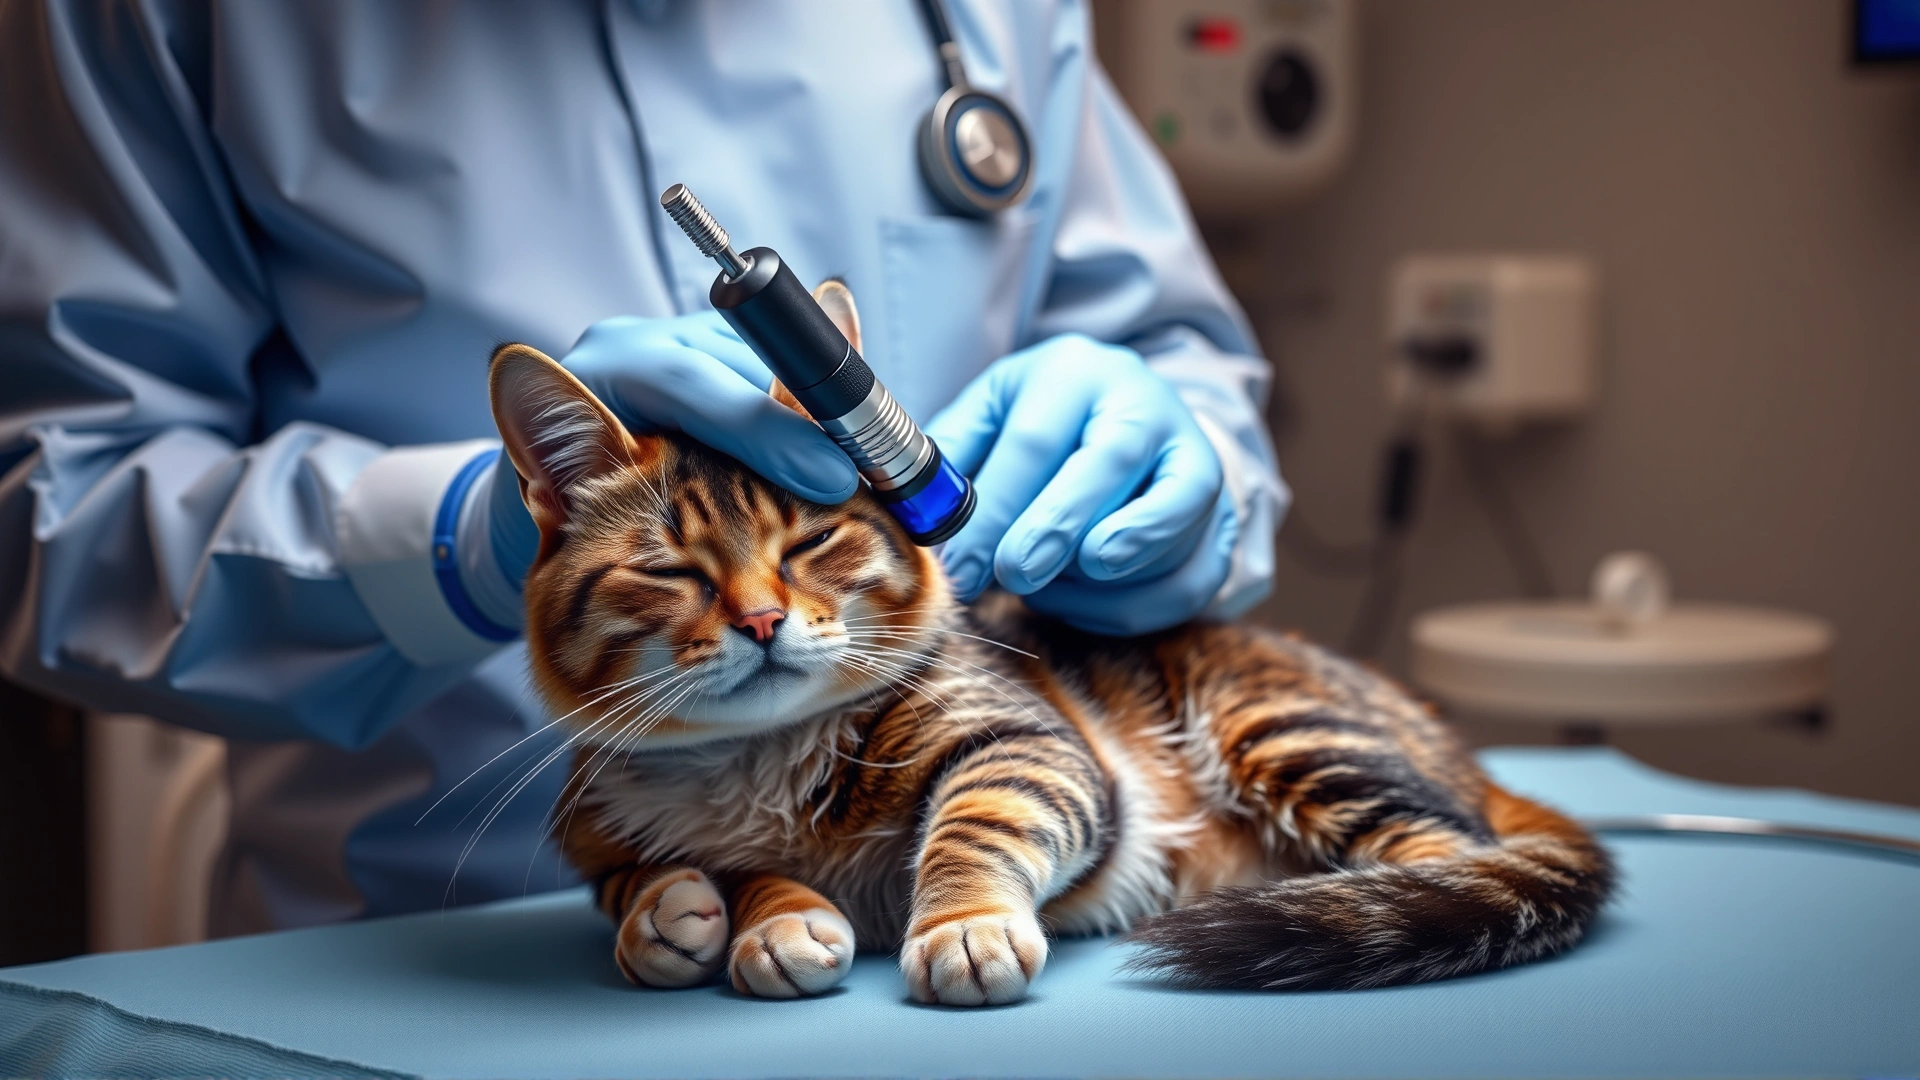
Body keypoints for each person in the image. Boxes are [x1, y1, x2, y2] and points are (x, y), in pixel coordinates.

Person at [0, 0, 1288, 934]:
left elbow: (1178, 360)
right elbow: (58, 508)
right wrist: (453, 540)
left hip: (994, 905)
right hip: (432, 945)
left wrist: (1181, 476)